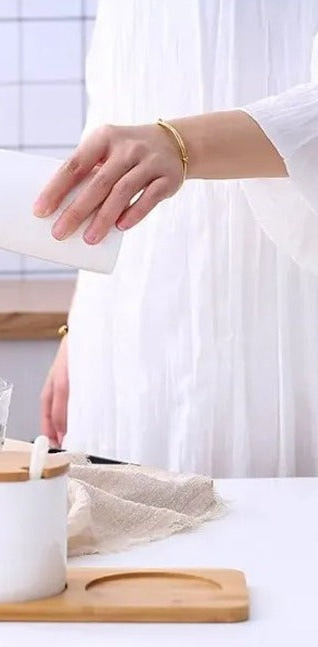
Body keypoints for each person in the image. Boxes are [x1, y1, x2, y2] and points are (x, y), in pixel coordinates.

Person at [37, 0, 318, 478]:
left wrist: (182, 143)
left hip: (282, 304)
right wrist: (82, 323)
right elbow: (114, 122)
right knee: (130, 529)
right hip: (128, 325)